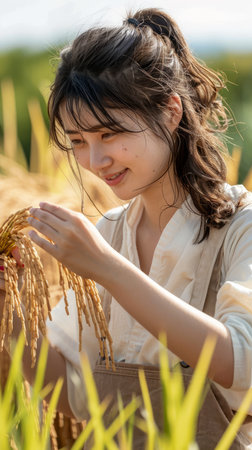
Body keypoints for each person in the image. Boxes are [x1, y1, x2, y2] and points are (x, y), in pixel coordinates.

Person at [1, 8, 252, 449]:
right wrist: (12, 317)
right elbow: (73, 395)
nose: (95, 162)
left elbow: (240, 361)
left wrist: (107, 268)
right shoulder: (110, 234)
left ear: (171, 112)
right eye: (77, 141)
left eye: (109, 134)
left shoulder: (240, 227)